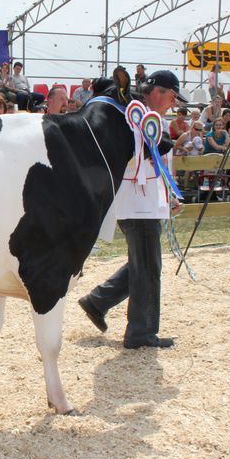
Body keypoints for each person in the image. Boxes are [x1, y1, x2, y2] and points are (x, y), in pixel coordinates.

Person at [77, 69, 186, 349]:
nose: (173, 103)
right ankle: (141, 332)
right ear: (159, 91)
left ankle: (98, 300)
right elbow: (143, 161)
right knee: (148, 267)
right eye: (173, 96)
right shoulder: (134, 117)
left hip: (142, 201)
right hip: (139, 203)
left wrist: (167, 196)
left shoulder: (140, 117)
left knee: (144, 262)